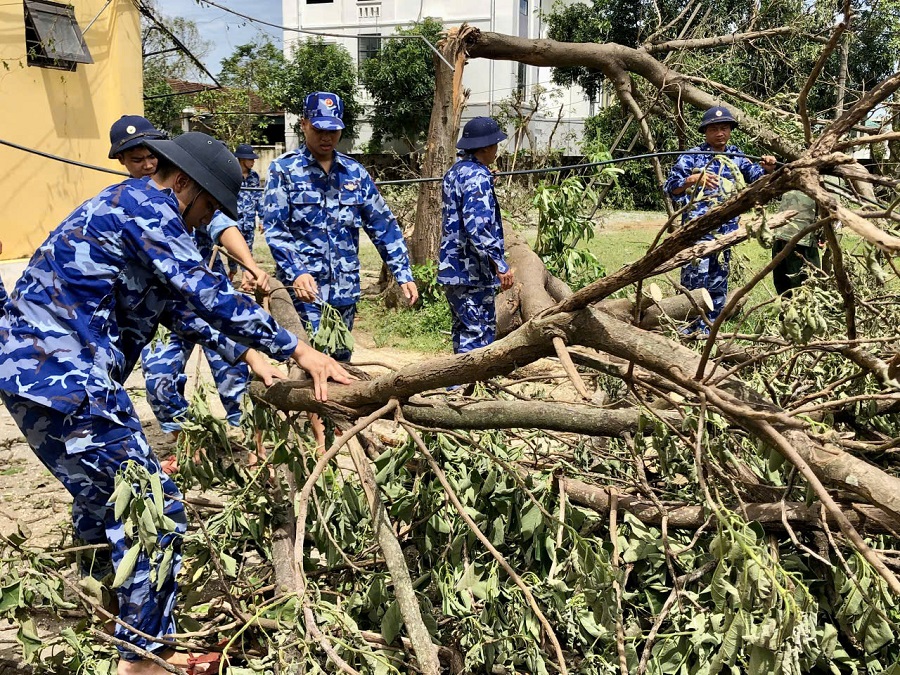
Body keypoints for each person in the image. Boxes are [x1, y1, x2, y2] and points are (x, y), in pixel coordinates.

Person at [0, 132, 351, 674]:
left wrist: (252, 356)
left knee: (102, 501)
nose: (202, 222)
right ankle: (145, 659)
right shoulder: (146, 206)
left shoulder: (134, 213)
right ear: (184, 182)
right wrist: (299, 349)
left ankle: (111, 615)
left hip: (36, 375)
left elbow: (178, 310)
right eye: (208, 208)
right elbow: (206, 293)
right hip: (64, 375)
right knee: (154, 509)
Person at [263, 92, 418, 362]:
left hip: (344, 290)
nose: (327, 137)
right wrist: (296, 272)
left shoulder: (354, 173)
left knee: (340, 363)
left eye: (333, 130)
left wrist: (402, 272)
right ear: (304, 124)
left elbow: (383, 225)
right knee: (306, 364)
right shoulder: (284, 170)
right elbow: (276, 230)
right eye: (319, 129)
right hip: (304, 292)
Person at [664, 106, 777, 332]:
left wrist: (768, 168)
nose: (720, 133)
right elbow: (670, 188)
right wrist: (692, 179)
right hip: (697, 236)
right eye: (714, 129)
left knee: (718, 283)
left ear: (730, 131)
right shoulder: (692, 157)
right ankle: (689, 329)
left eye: (724, 128)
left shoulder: (737, 156)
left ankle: (711, 330)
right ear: (705, 131)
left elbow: (757, 178)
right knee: (695, 282)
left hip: (725, 235)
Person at [438, 117, 514, 353]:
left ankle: (455, 386)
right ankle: (471, 388)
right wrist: (500, 264)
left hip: (453, 269)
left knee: (462, 331)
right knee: (478, 334)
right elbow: (478, 227)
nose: (497, 151)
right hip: (472, 272)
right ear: (486, 147)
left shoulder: (456, 172)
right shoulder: (477, 177)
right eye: (495, 145)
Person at [772, 190, 822, 297]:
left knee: (797, 288)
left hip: (795, 237)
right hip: (790, 235)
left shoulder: (823, 176)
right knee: (788, 287)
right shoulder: (792, 174)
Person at [231, 143, 264, 279]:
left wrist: (262, 219)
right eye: (250, 159)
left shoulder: (254, 177)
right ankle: (232, 273)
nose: (253, 161)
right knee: (233, 251)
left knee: (248, 250)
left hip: (249, 221)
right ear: (242, 160)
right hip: (234, 220)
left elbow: (258, 199)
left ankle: (246, 277)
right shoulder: (232, 175)